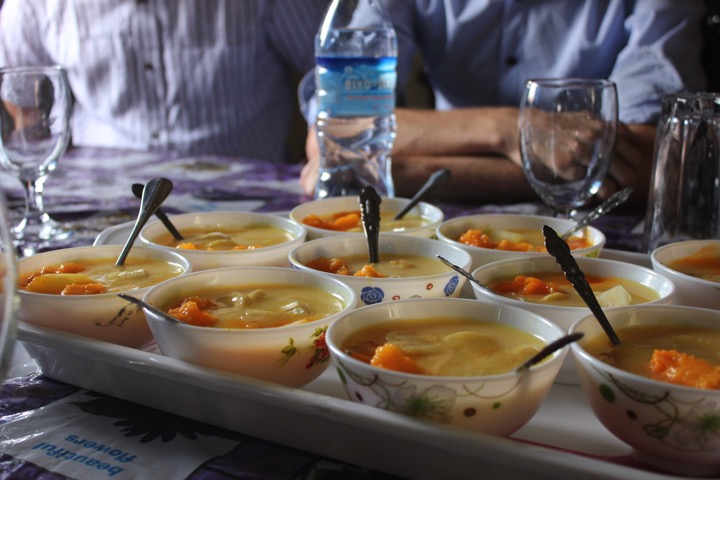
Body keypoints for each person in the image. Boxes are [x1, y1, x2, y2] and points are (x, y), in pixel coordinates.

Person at [301, 0, 707, 205]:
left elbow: (659, 164)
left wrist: (409, 172)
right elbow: (333, 136)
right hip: (438, 230)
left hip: (597, 236)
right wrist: (512, 129)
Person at [0, 0, 330, 162]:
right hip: (100, 200)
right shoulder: (35, 5)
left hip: (249, 198)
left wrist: (326, 141)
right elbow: (20, 99)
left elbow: (331, 64)